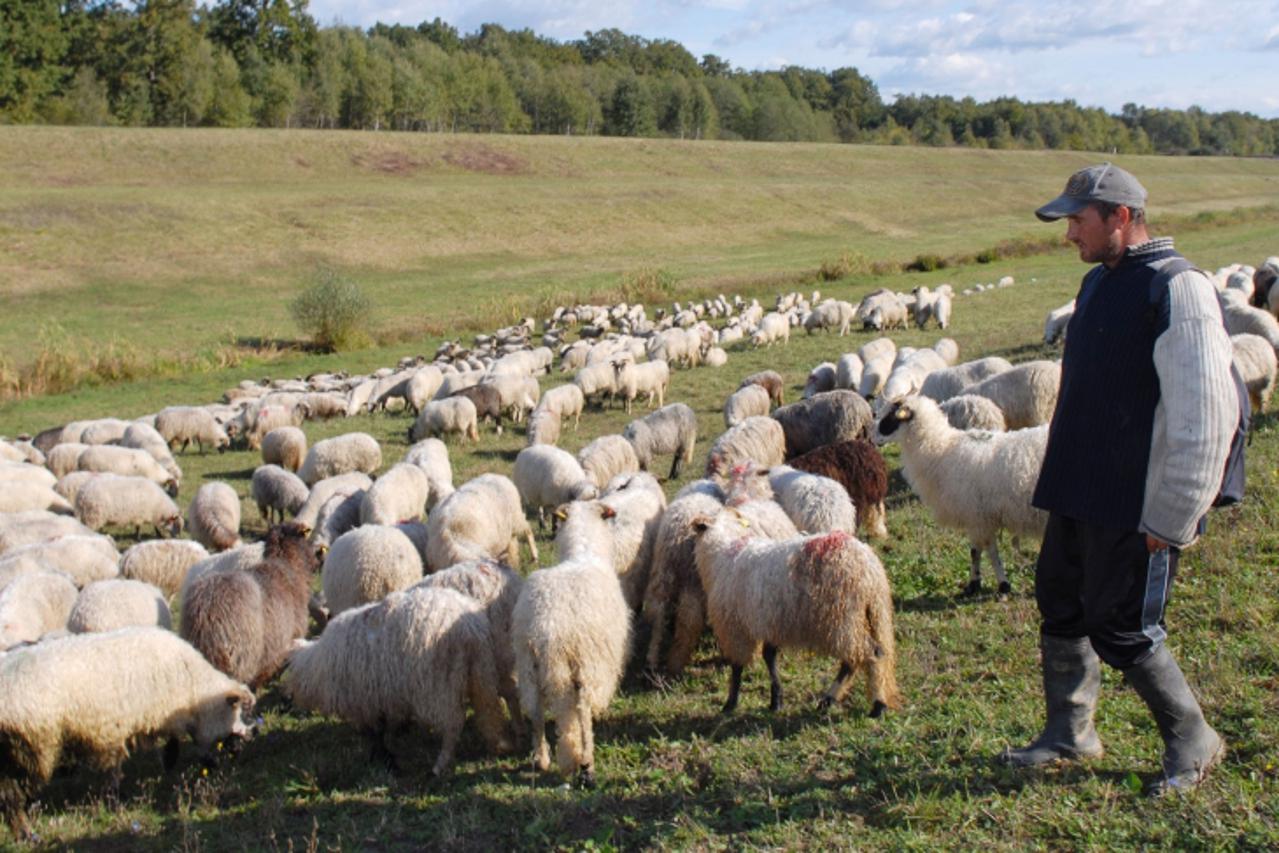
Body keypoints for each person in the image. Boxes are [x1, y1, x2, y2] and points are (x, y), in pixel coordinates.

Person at [1003, 163, 1235, 794]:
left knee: (1122, 623)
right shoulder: (1099, 284)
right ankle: (1068, 732)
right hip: (1079, 488)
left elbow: (1206, 409)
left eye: (1078, 219)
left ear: (1121, 218)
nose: (1068, 232)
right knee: (1062, 604)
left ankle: (1193, 737)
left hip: (1135, 499)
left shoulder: (1176, 288)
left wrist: (1175, 513)